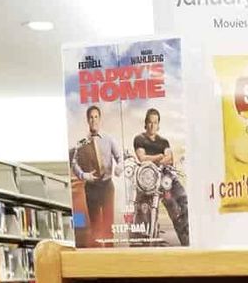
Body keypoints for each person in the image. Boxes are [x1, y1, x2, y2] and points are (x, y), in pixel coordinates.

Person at [132, 107, 189, 246]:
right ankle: (143, 246)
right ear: (146, 123)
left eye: (155, 122)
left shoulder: (164, 141)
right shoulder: (139, 139)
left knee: (181, 202)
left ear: (158, 125)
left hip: (165, 179)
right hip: (148, 180)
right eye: (150, 122)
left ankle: (187, 240)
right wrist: (158, 156)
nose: (152, 125)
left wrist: (161, 159)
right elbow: (141, 158)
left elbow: (169, 158)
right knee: (143, 212)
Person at [69, 104, 123, 247]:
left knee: (108, 224)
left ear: (100, 119)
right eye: (91, 118)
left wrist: (119, 167)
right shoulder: (81, 143)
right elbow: (74, 163)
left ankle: (111, 256)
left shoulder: (109, 139)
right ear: (87, 120)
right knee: (95, 226)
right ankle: (98, 257)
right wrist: (83, 175)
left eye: (96, 117)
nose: (93, 120)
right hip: (91, 188)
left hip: (106, 186)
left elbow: (120, 157)